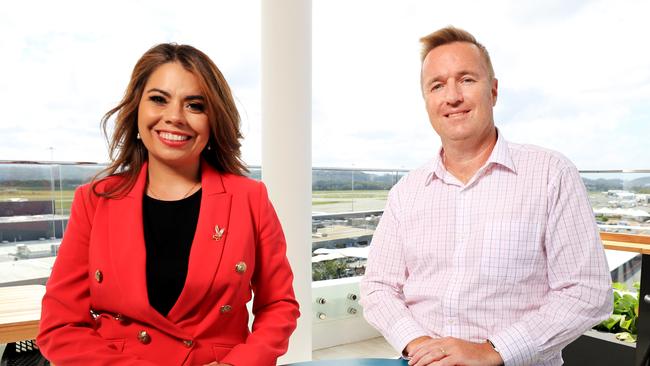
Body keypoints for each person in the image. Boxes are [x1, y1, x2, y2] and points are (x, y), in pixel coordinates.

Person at [359, 26, 612, 366]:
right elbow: (378, 287)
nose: (452, 97)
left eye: (466, 80)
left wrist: (492, 350)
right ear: (427, 102)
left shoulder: (551, 174)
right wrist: (422, 347)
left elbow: (587, 292)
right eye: (437, 85)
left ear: (493, 91)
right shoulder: (406, 192)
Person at [37, 43, 300, 366]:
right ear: (136, 110)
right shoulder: (94, 201)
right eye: (159, 99)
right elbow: (61, 324)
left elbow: (279, 305)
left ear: (213, 120)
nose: (174, 117)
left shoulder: (250, 198)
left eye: (195, 105)